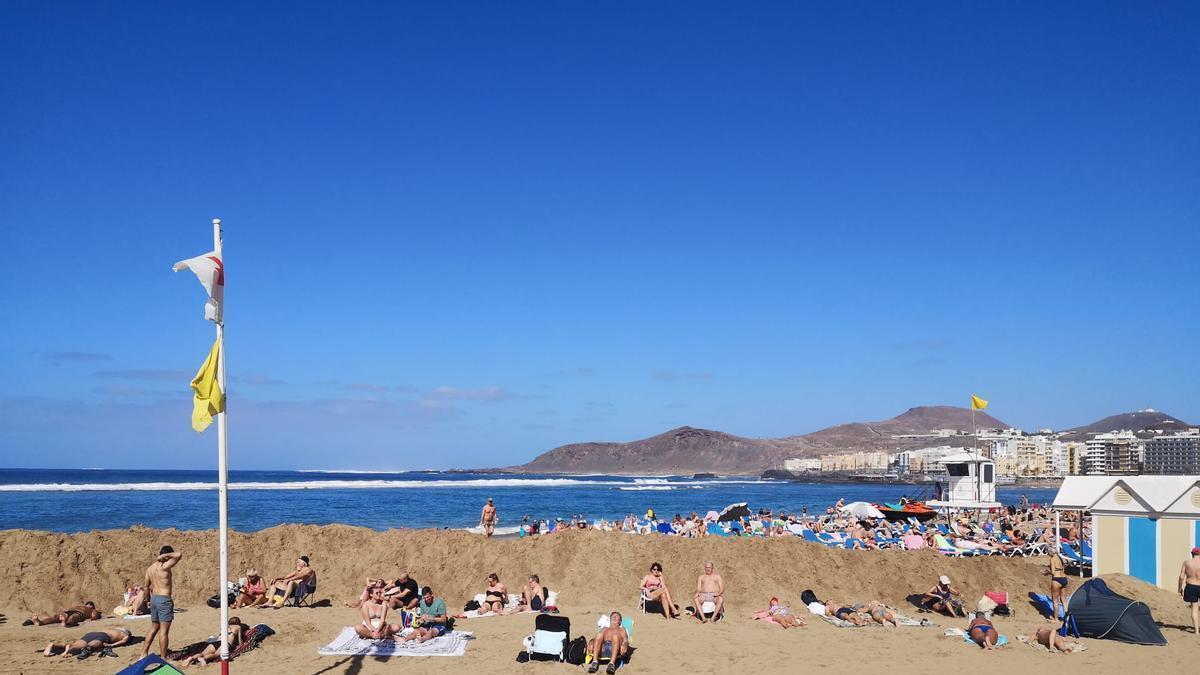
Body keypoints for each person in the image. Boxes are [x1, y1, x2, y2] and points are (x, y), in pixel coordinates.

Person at [142, 545, 183, 657]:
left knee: (154, 628)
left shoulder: (150, 569)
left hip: (154, 599)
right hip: (164, 599)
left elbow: (145, 587)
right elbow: (179, 555)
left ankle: (143, 653)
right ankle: (163, 657)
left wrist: (148, 600)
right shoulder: (165, 566)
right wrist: (164, 556)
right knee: (164, 631)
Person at [177, 616, 248, 666]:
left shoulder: (225, 627)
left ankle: (191, 658)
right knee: (217, 654)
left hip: (216, 642)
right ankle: (203, 659)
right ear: (238, 623)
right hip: (225, 643)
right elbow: (240, 641)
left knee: (202, 653)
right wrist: (241, 643)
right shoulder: (238, 627)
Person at [43, 626, 132, 658]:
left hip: (91, 634)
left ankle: (54, 645)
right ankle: (68, 650)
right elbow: (124, 641)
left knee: (75, 645)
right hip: (103, 636)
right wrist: (111, 645)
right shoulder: (125, 634)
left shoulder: (111, 629)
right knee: (90, 646)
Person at [23, 601, 100, 627]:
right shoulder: (91, 609)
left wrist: (92, 618)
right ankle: (65, 622)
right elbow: (95, 615)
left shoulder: (79, 606)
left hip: (68, 611)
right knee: (73, 617)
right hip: (79, 613)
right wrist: (92, 618)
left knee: (55, 617)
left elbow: (95, 615)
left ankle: (40, 622)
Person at [1180, 546, 1200, 635]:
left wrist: (1179, 588)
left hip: (1191, 586)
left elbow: (1181, 577)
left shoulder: (1186, 563)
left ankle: (1196, 631)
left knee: (1194, 609)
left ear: (1192, 553)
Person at [1046, 548, 1068, 621]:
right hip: (1064, 579)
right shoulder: (1060, 558)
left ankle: (1056, 619)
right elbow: (1063, 568)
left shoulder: (1052, 559)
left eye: (1048, 552)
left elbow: (1053, 572)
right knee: (1064, 600)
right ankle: (1066, 618)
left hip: (1057, 579)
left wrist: (1046, 572)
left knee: (1055, 600)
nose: (1048, 554)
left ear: (1051, 552)